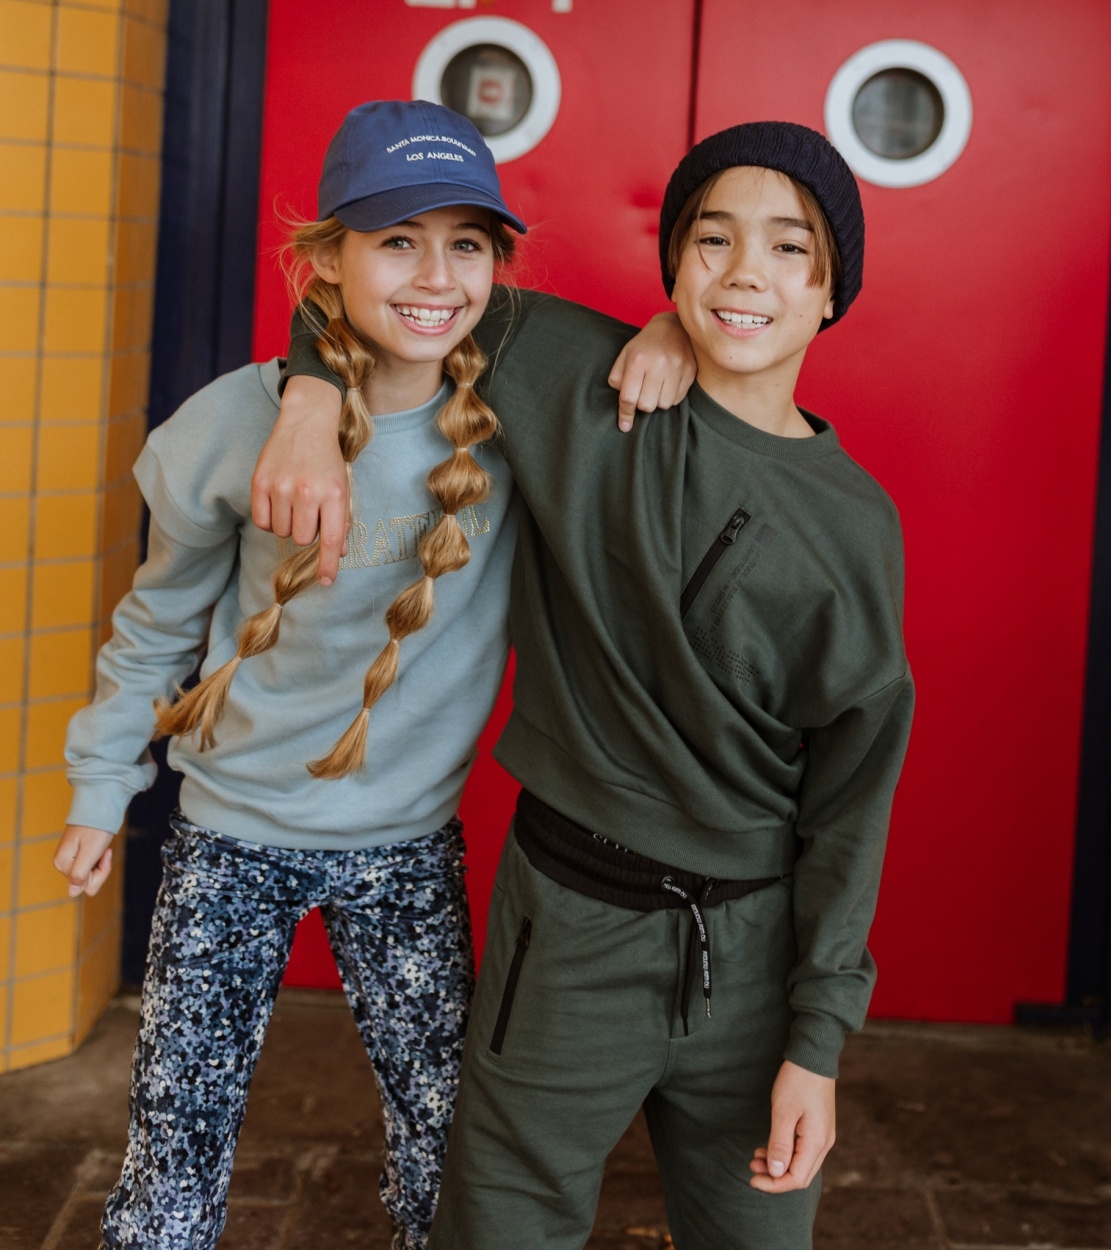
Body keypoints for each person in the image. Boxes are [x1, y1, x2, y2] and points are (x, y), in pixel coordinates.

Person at [51, 98, 690, 1250]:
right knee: (171, 1163)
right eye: (397, 239)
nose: (436, 275)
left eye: (466, 243)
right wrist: (102, 786)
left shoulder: (515, 414)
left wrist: (668, 332)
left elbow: (627, 351)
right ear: (327, 258)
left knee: (446, 1145)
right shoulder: (228, 423)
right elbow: (156, 623)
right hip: (228, 835)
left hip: (404, 844)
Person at [263, 121, 913, 1250]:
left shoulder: (855, 525)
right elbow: (366, 293)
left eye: (788, 249)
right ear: (674, 263)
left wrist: (816, 1042)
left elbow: (851, 803)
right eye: (711, 240)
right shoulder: (576, 378)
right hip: (566, 930)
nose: (744, 273)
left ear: (830, 292)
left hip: (752, 958)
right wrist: (309, 407)